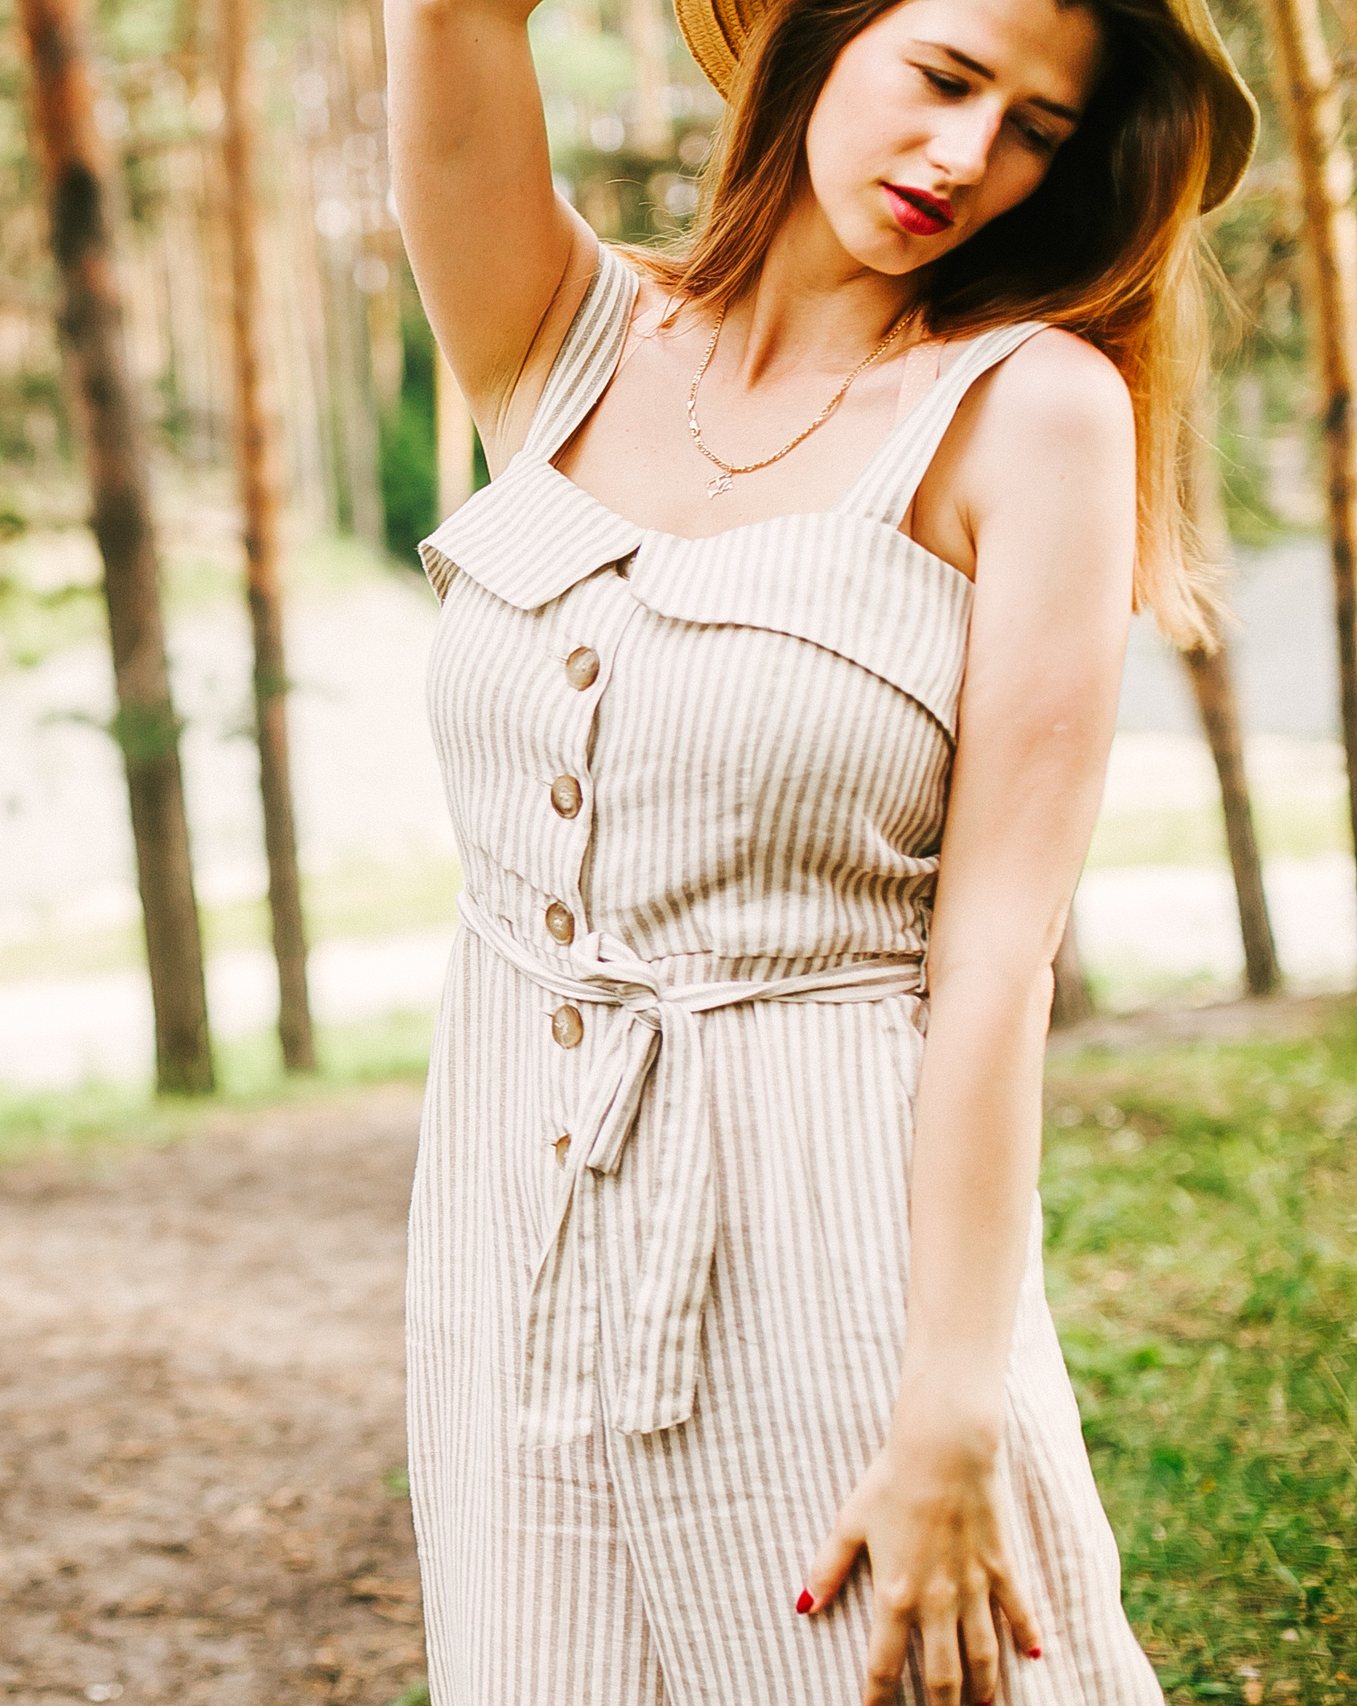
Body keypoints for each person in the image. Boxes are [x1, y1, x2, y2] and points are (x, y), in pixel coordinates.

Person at [387, 0, 1252, 1700]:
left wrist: (954, 1402)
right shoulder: (567, 332)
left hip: (833, 1244)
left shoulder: (1032, 413)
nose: (964, 157)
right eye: (942, 77)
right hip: (505, 1242)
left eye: (1035, 131)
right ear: (820, 35)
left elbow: (998, 959)